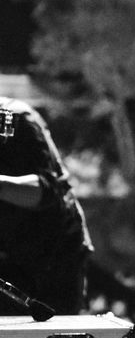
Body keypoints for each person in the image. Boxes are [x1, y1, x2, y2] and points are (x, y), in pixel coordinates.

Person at [0, 97, 93, 315]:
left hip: (54, 259)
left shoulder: (16, 119)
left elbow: (47, 191)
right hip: (9, 259)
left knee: (54, 337)